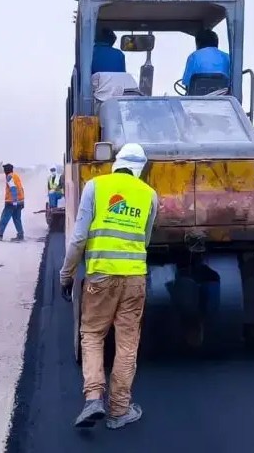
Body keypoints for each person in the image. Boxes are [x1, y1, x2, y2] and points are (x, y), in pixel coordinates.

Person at [59, 143, 158, 430]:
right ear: (141, 168)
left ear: (116, 163)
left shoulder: (95, 186)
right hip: (134, 279)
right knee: (127, 344)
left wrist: (66, 275)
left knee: (92, 335)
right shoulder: (149, 195)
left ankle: (93, 399)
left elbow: (79, 238)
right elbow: (145, 239)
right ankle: (119, 411)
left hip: (100, 277)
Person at [0, 163, 25, 242]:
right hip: (20, 200)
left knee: (4, 218)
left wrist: (14, 201)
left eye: (4, 170)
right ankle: (20, 235)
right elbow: (20, 188)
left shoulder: (9, 177)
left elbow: (13, 188)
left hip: (11, 201)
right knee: (17, 219)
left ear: (6, 170)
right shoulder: (16, 176)